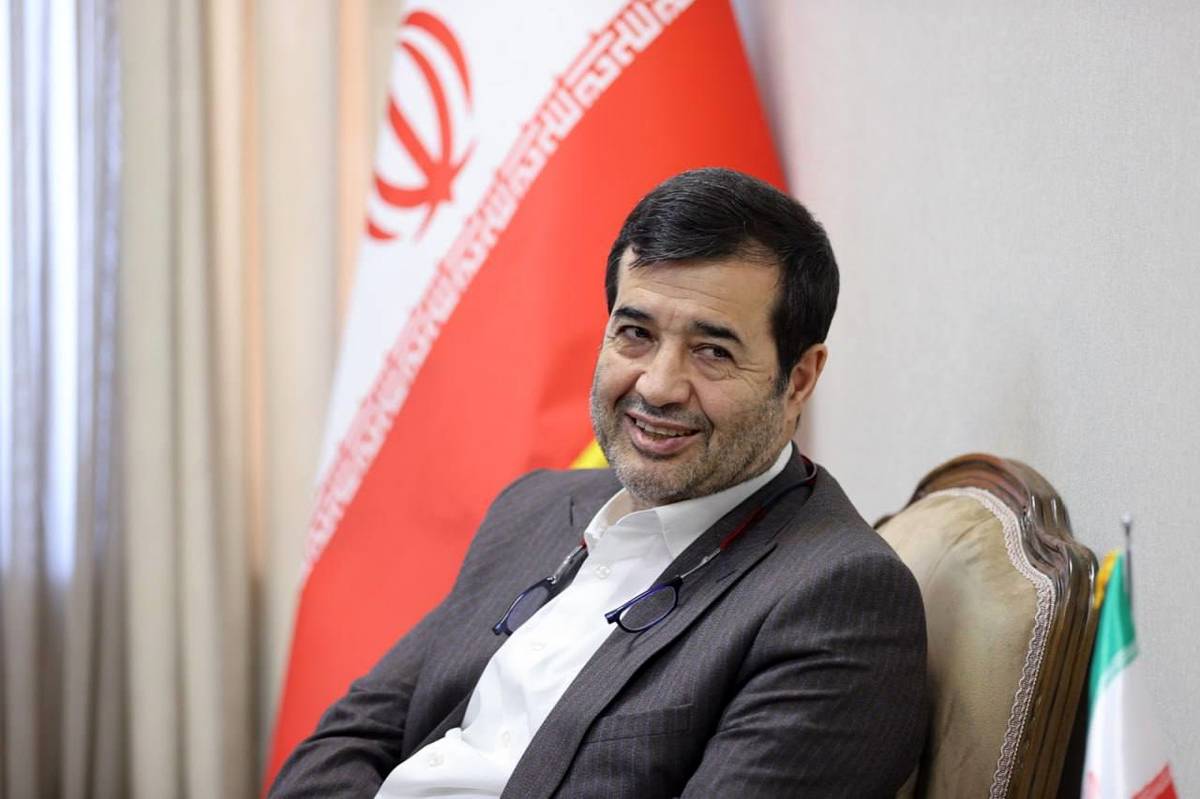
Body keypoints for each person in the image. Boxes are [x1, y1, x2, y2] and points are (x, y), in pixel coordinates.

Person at [270, 168, 928, 798]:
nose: (658, 386)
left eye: (713, 351)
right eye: (635, 334)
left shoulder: (839, 597)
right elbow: (348, 739)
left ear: (799, 379)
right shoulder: (536, 507)